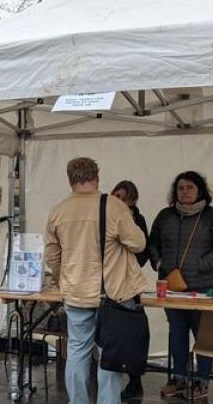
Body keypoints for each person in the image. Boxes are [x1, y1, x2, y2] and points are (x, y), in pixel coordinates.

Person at [45, 158, 147, 404]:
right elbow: (139, 243)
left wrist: (63, 276)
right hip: (112, 295)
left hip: (76, 294)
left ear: (70, 179)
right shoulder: (113, 206)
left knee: (77, 353)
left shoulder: (58, 210)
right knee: (109, 356)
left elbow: (52, 255)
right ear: (97, 176)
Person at [148, 171, 213, 400]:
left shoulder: (212, 216)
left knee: (203, 336)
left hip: (203, 287)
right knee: (177, 333)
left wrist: (202, 264)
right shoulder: (165, 216)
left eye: (189, 187)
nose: (184, 192)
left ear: (200, 190)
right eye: (180, 188)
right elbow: (152, 242)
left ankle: (202, 381)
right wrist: (159, 263)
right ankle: (179, 378)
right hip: (172, 287)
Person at [111, 180, 151, 401]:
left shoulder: (138, 220)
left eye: (123, 197)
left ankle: (135, 381)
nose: (119, 201)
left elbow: (143, 254)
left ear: (132, 201)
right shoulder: (106, 216)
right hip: (109, 283)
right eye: (116, 195)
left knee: (133, 335)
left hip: (129, 284)